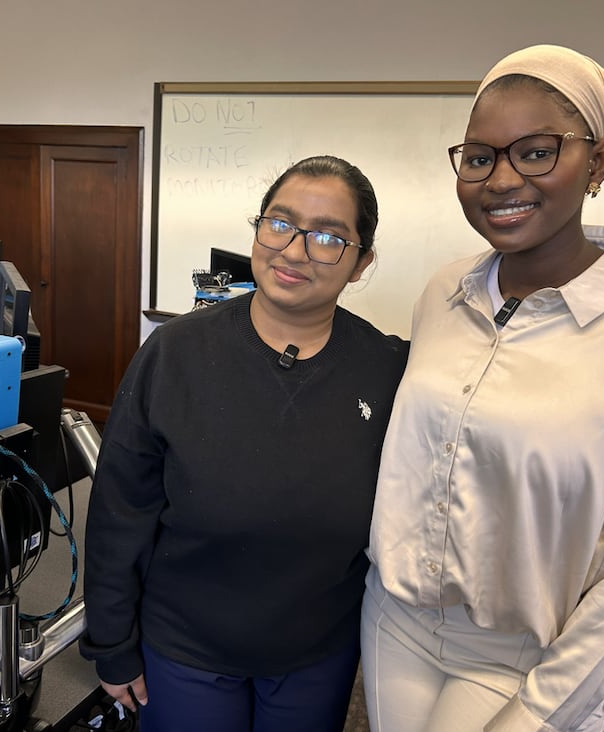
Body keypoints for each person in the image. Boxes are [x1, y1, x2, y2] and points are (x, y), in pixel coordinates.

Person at [362, 44, 604, 732]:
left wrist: (542, 714)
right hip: (395, 620)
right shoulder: (444, 292)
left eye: (535, 152)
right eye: (479, 157)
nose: (501, 179)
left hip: (529, 659)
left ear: (597, 161)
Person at [81, 154, 409, 732]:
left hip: (316, 651)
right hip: (185, 646)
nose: (293, 249)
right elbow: (119, 510)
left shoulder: (387, 369)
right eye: (279, 223)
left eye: (329, 237)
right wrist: (111, 642)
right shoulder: (174, 354)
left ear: (362, 263)